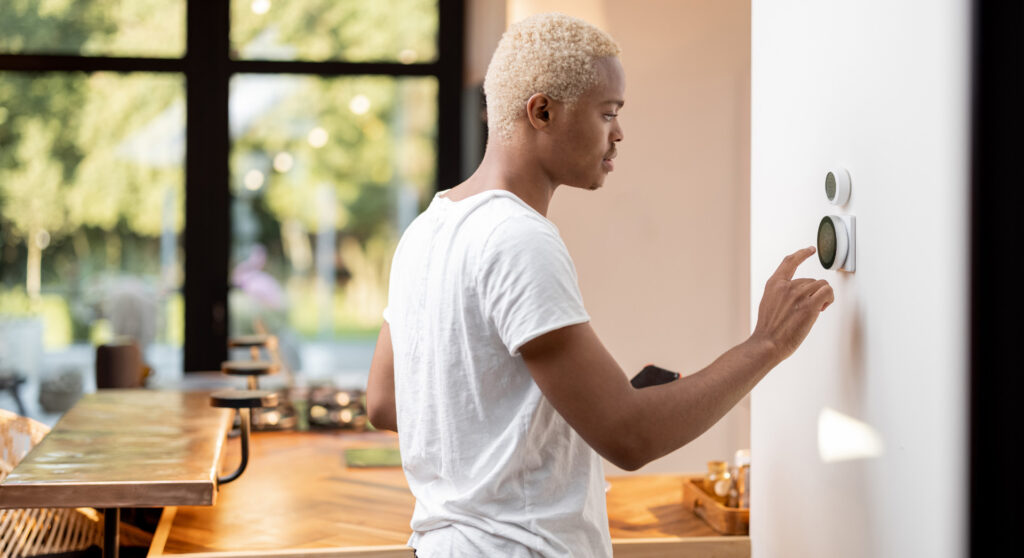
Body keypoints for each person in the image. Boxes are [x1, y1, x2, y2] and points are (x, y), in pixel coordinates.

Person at [366, 12, 833, 558]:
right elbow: (629, 437)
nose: (618, 133)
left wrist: (550, 413)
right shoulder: (518, 238)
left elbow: (385, 403)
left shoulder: (428, 228)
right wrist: (766, 344)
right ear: (542, 110)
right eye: (607, 112)